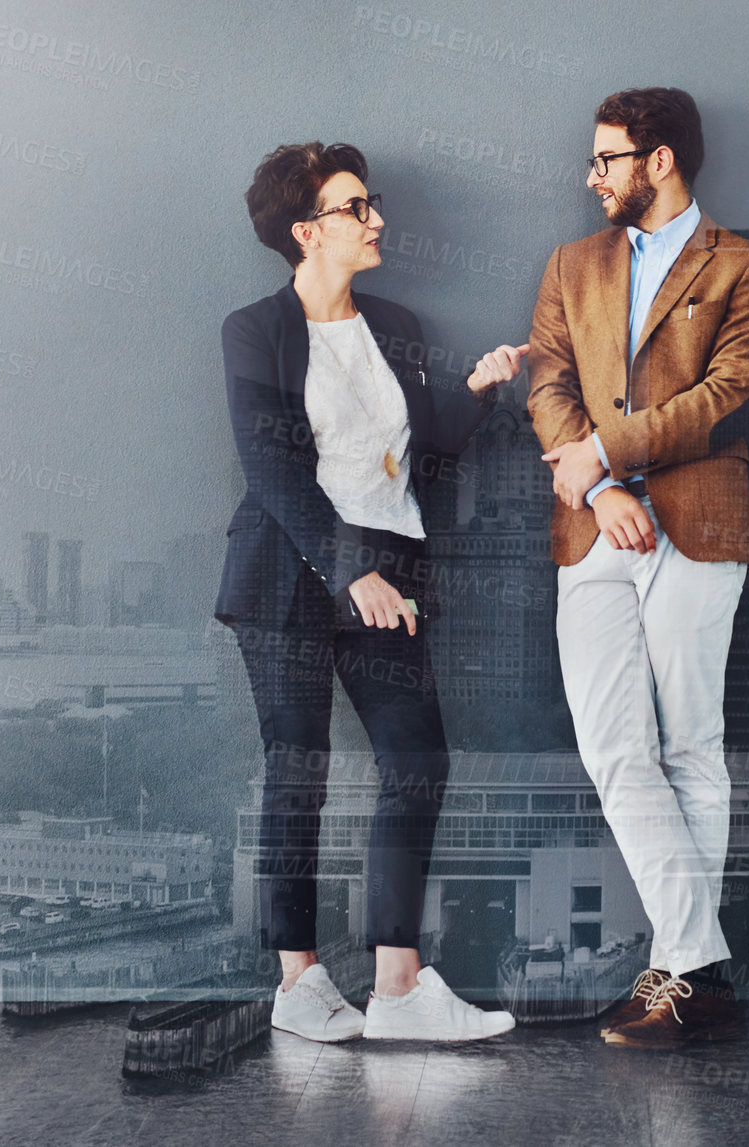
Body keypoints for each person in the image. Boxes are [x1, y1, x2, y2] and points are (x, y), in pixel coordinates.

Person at [217, 141, 526, 1042]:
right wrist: (349, 570)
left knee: (417, 761)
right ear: (306, 231)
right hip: (291, 573)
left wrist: (476, 391)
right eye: (357, 207)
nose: (377, 218)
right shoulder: (253, 330)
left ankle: (397, 988)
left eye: (371, 202)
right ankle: (299, 981)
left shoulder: (397, 322)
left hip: (389, 571)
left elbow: (419, 453)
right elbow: (271, 466)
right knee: (297, 770)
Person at [526, 88, 749, 1048]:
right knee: (613, 750)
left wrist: (612, 452)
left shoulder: (748, 269)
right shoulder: (571, 264)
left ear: (660, 159)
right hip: (594, 529)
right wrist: (598, 488)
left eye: (606, 159)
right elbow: (549, 381)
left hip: (700, 524)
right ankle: (700, 966)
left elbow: (727, 392)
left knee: (689, 751)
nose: (591, 177)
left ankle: (680, 979)